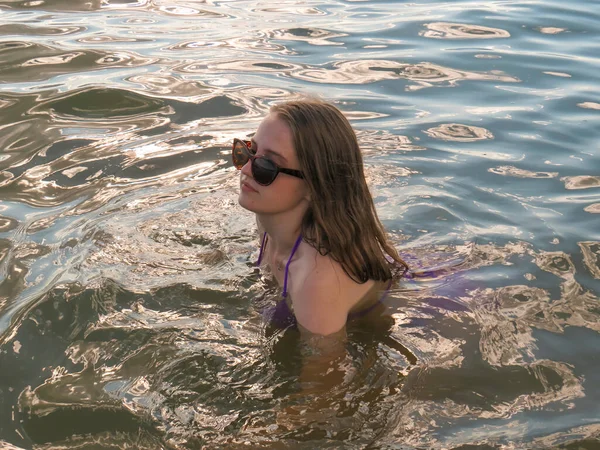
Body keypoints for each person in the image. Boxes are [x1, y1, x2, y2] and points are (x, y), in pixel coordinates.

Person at [232, 99, 408, 337]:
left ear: (314, 186)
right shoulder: (268, 219)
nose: (245, 170)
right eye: (248, 151)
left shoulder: (317, 280)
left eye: (267, 166)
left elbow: (326, 373)